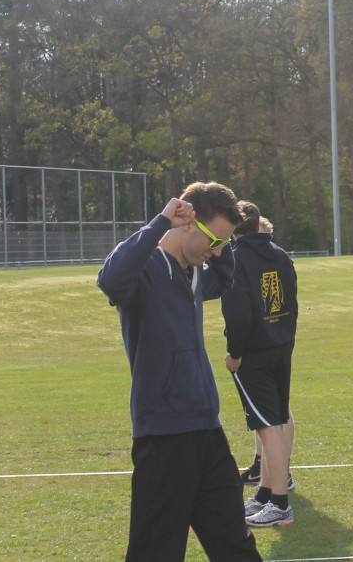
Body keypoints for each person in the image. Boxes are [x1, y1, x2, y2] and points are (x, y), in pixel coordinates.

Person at [96, 182, 262, 562]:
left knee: (236, 545)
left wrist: (218, 248)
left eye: (224, 243)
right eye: (213, 239)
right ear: (186, 223)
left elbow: (223, 280)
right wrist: (160, 223)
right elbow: (110, 279)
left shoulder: (197, 270)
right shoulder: (147, 269)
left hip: (207, 429)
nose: (217, 250)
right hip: (164, 436)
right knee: (156, 551)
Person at [221, 201, 299, 528]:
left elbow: (238, 314)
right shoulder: (280, 255)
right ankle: (265, 494)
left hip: (254, 354)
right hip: (281, 348)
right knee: (275, 422)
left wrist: (234, 354)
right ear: (258, 226)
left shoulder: (236, 260)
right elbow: (291, 306)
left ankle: (280, 504)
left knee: (268, 429)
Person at [238, 216, 296, 494]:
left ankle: (280, 483)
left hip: (271, 347)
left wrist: (236, 350)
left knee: (276, 415)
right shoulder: (259, 259)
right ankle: (264, 471)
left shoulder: (275, 259)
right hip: (273, 344)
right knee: (270, 415)